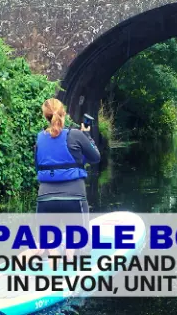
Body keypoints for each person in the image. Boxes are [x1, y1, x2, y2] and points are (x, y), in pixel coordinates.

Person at [30, 98, 100, 260]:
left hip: (45, 199)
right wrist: (87, 136)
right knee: (80, 247)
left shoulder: (39, 139)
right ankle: (75, 274)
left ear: (45, 116)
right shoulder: (76, 135)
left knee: (46, 247)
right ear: (64, 114)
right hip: (73, 198)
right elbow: (95, 157)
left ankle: (50, 276)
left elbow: (38, 166)